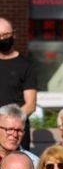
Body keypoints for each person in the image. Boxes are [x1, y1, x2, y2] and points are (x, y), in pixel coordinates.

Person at [0, 17, 36, 151]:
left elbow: (30, 105)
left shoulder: (26, 65)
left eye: (6, 35)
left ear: (13, 34)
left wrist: (9, 123)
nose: (3, 39)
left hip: (16, 132)